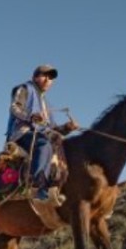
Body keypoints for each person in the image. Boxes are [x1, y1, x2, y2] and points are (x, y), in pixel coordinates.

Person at [5, 64, 79, 203]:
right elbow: (14, 108)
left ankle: (55, 186)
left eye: (51, 78)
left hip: (41, 134)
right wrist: (31, 117)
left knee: (62, 145)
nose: (47, 80)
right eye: (44, 76)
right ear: (35, 77)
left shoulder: (47, 105)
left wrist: (68, 128)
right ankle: (35, 185)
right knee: (44, 145)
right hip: (23, 133)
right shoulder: (25, 89)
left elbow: (53, 129)